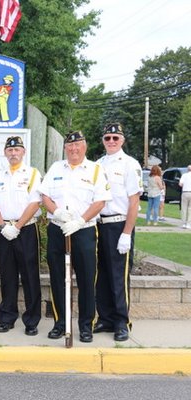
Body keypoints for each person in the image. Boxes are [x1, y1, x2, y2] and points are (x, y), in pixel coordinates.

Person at [39, 131, 111, 343]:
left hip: (84, 229)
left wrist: (79, 220)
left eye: (77, 145)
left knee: (87, 279)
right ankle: (61, 324)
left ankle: (86, 326)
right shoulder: (55, 168)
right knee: (58, 278)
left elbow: (100, 201)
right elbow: (45, 196)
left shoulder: (96, 170)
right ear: (65, 148)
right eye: (70, 146)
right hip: (58, 228)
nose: (73, 149)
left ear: (85, 146)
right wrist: (58, 212)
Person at [0, 136, 42, 336]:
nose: (13, 153)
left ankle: (31, 320)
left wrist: (18, 226)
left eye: (17, 150)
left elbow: (35, 202)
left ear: (23, 152)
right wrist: (2, 225)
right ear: (5, 152)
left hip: (26, 229)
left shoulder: (32, 174)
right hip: (4, 230)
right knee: (7, 276)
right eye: (10, 150)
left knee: (30, 276)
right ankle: (7, 318)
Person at [95, 123, 143, 342]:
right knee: (102, 275)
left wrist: (127, 233)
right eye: (107, 138)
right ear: (103, 141)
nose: (111, 141)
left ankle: (121, 322)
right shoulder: (97, 164)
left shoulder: (130, 164)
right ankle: (105, 318)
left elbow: (134, 202)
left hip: (119, 224)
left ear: (122, 140)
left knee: (119, 277)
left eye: (115, 137)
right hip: (99, 225)